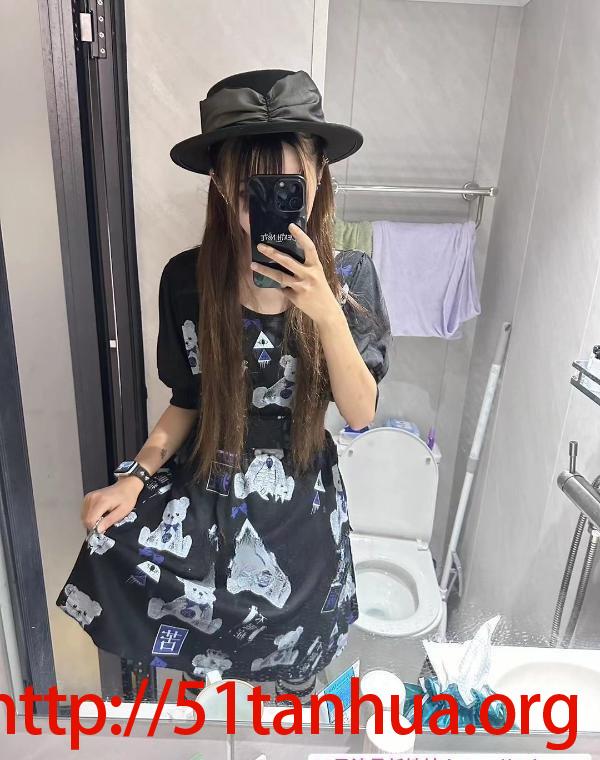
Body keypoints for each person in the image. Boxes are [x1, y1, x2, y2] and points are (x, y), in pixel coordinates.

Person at [56, 69, 391, 705]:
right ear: (219, 184)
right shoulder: (188, 279)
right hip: (208, 492)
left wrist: (325, 309)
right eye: (248, 191)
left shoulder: (349, 277)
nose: (262, 207)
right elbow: (187, 401)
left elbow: (360, 413)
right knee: (196, 662)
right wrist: (134, 476)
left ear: (319, 175)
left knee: (292, 682)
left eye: (287, 187)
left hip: (301, 507)